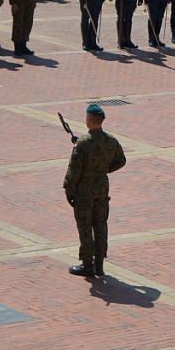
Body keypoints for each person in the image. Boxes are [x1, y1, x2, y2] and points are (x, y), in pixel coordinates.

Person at [63, 103, 127, 277]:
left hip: (85, 190)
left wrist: (69, 190)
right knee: (100, 225)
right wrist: (104, 169)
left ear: (89, 120)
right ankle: (99, 264)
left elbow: (74, 170)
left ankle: (87, 264)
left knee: (85, 226)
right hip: (102, 188)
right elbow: (121, 160)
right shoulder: (111, 140)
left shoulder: (84, 142)